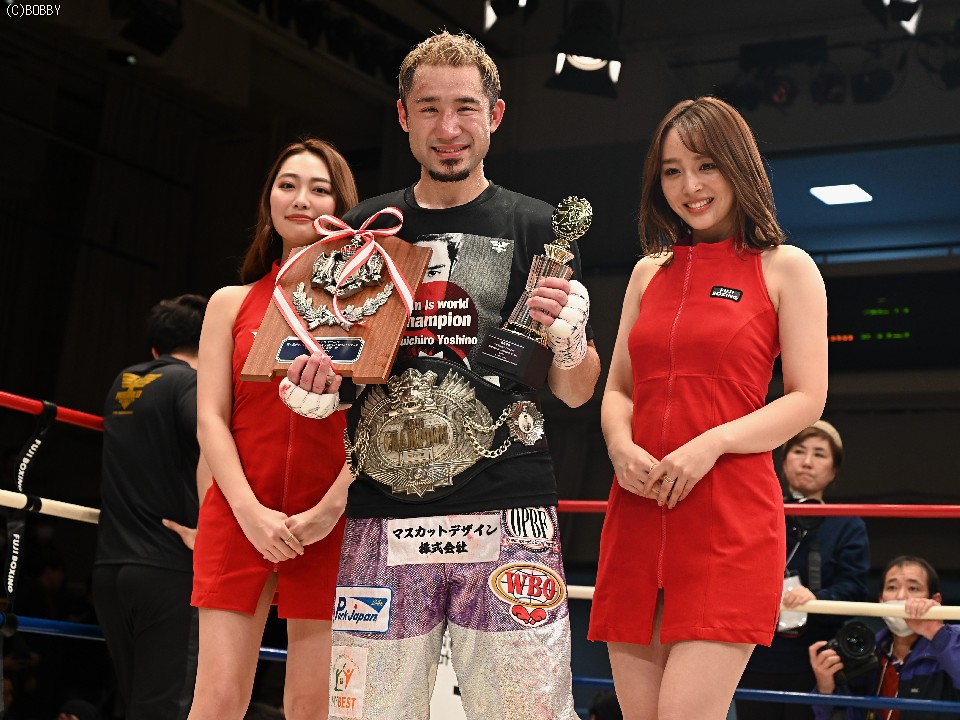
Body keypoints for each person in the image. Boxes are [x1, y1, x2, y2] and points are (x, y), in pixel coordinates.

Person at [283, 30, 601, 720]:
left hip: (508, 507)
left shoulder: (539, 229)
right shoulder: (365, 227)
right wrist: (315, 391)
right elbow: (340, 369)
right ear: (403, 116)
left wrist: (570, 341)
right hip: (382, 509)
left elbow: (576, 392)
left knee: (526, 714)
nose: (448, 128)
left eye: (465, 108)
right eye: (429, 108)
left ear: (496, 115)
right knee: (369, 714)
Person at [587, 95, 829, 720]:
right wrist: (619, 445)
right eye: (672, 171)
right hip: (637, 510)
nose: (690, 186)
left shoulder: (787, 268)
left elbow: (807, 398)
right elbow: (618, 389)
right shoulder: (647, 274)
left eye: (706, 166)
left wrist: (712, 443)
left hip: (727, 518)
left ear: (737, 166)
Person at [188, 137, 359, 720]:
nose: (301, 199)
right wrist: (248, 511)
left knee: (313, 706)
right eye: (288, 185)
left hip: (332, 522)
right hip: (239, 516)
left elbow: (383, 423)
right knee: (216, 701)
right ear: (269, 200)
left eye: (319, 189)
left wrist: (329, 510)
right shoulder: (230, 303)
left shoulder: (373, 305)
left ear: (341, 205)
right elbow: (211, 418)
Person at [91, 293, 209, 720]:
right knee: (166, 709)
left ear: (156, 349)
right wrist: (210, 529)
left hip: (111, 568)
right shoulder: (191, 383)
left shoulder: (123, 381)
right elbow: (212, 445)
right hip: (169, 567)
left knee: (135, 705)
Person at [737, 420, 871, 719]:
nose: (808, 462)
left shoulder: (848, 524)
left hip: (816, 657)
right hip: (754, 652)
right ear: (784, 463)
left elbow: (856, 588)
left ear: (834, 470)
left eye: (820, 454)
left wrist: (816, 598)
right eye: (799, 451)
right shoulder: (755, 514)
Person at [809, 555, 960, 720]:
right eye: (892, 587)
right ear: (881, 600)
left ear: (935, 600)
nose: (901, 596)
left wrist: (936, 633)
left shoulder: (952, 643)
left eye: (913, 588)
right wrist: (826, 690)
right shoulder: (866, 655)